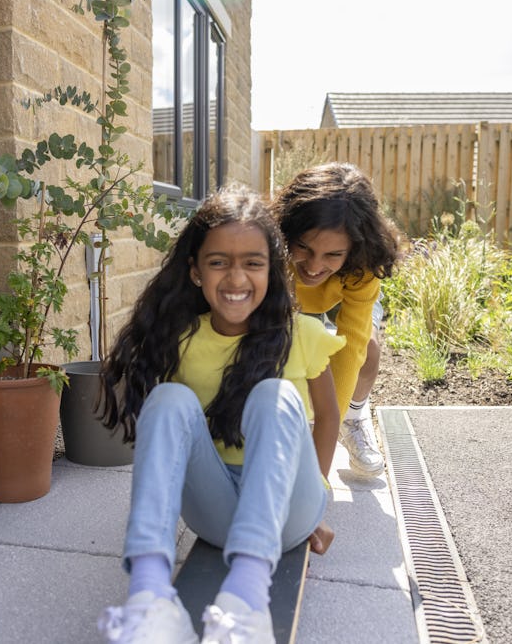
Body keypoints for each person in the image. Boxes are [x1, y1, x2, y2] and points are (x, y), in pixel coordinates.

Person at [97, 185, 345, 643]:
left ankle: (246, 603)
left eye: (253, 262)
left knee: (276, 397)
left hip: (286, 510)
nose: (236, 278)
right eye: (218, 262)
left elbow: (328, 418)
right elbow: (171, 444)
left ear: (272, 270)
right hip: (214, 514)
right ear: (194, 272)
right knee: (167, 400)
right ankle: (150, 598)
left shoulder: (303, 334)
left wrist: (317, 501)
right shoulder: (182, 339)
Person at [273, 162, 402, 478]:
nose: (314, 265)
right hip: (290, 300)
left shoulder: (363, 265)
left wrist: (329, 425)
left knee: (368, 352)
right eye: (304, 247)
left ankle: (354, 418)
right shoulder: (269, 249)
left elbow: (350, 348)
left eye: (332, 254)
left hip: (338, 292)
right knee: (287, 349)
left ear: (354, 249)